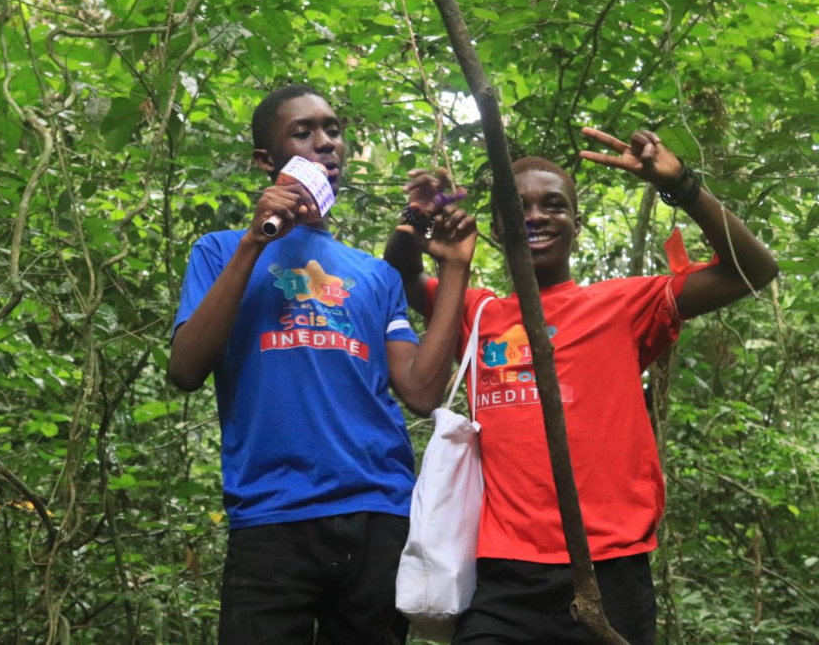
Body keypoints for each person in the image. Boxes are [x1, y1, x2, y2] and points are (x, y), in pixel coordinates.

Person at [384, 127, 779, 645]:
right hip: (501, 575)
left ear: (576, 222)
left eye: (554, 205)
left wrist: (681, 184)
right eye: (517, 205)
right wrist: (418, 215)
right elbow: (398, 274)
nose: (536, 216)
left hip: (609, 570)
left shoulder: (623, 305)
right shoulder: (477, 314)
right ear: (497, 227)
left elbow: (753, 270)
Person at [168, 84, 478, 645]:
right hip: (271, 516)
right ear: (267, 160)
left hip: (378, 513)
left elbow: (421, 392)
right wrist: (254, 242)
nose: (325, 144)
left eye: (333, 130)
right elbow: (186, 369)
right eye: (304, 132)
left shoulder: (374, 275)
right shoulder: (219, 251)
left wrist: (455, 269)